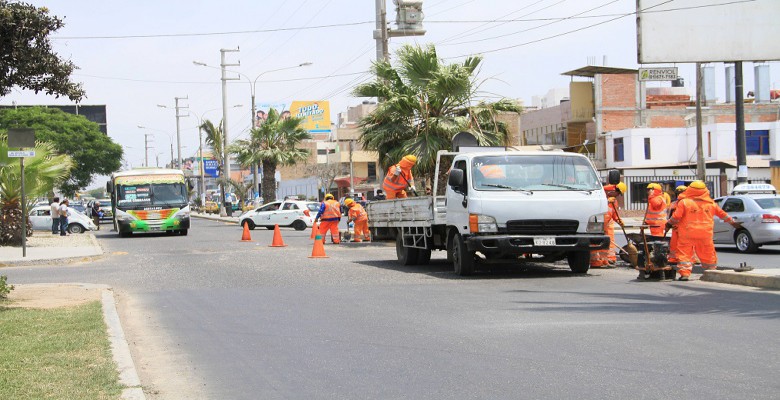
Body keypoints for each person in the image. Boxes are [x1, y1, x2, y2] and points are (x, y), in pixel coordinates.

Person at [667, 181, 741, 281]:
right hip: (705, 233)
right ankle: (711, 271)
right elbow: (722, 214)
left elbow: (676, 217)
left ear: (690, 189)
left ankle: (685, 274)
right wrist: (733, 222)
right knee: (707, 253)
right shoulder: (711, 203)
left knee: (684, 254)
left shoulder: (684, 202)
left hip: (687, 233)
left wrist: (668, 224)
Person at [590, 182, 626, 268]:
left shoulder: (613, 201)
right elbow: (594, 207)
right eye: (618, 193)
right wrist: (606, 202)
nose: (617, 195)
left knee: (605, 244)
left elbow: (613, 214)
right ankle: (595, 262)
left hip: (605, 226)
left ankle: (604, 261)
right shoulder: (599, 196)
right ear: (613, 190)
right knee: (595, 243)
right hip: (597, 225)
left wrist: (619, 220)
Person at [666, 185, 687, 264]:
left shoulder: (687, 203)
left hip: (685, 228)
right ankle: (673, 259)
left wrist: (668, 224)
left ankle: (686, 259)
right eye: (678, 193)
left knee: (685, 246)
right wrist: (668, 224)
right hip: (676, 228)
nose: (679, 195)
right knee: (674, 245)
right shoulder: (673, 204)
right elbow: (670, 216)